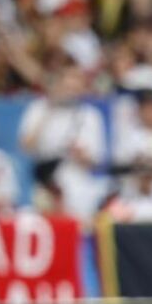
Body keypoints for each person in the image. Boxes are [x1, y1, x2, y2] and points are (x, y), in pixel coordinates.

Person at [18, 65, 105, 221]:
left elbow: (95, 161)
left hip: (78, 184)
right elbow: (26, 146)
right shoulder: (39, 108)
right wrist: (49, 111)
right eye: (67, 82)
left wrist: (80, 154)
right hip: (46, 181)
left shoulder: (90, 115)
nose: (71, 87)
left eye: (77, 82)